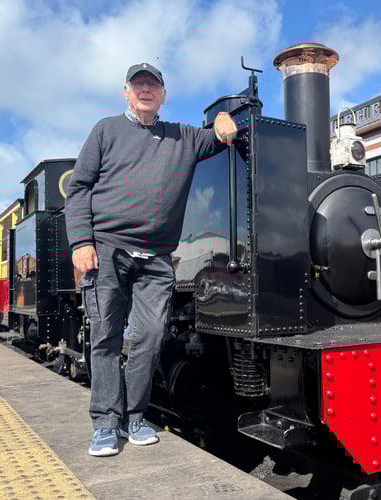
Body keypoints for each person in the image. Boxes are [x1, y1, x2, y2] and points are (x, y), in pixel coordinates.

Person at [65, 63, 237, 457]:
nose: (145, 90)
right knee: (106, 337)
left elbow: (218, 134)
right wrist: (81, 243)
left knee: (150, 336)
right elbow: (79, 189)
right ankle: (106, 423)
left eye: (153, 85)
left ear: (163, 94)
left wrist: (227, 116)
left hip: (158, 257)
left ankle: (135, 417)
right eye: (138, 84)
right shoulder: (105, 130)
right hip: (108, 249)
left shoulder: (182, 136)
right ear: (126, 92)